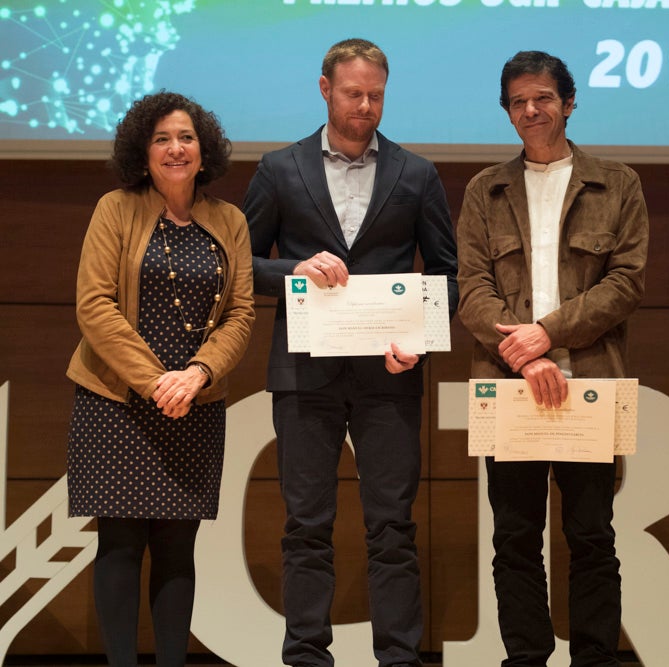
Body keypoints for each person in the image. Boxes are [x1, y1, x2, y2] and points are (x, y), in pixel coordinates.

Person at [242, 38, 458, 667]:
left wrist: (417, 341)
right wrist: (295, 269)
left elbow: (445, 272)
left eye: (376, 95)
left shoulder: (416, 173)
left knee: (392, 526)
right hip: (304, 372)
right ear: (324, 89)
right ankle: (306, 655)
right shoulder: (279, 168)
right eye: (353, 93)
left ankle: (398, 657)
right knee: (306, 524)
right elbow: (243, 263)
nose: (365, 106)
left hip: (390, 374)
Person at [456, 51, 649, 666]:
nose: (531, 110)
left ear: (569, 102)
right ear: (508, 112)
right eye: (518, 101)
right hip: (508, 384)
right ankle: (526, 659)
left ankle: (594, 657)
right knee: (514, 539)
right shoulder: (484, 189)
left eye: (542, 98)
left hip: (591, 382)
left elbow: (625, 283)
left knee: (592, 536)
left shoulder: (617, 183)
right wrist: (526, 354)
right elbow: (472, 289)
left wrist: (546, 333)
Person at [65, 91, 255, 666]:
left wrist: (196, 373)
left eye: (187, 138)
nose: (176, 149)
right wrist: (156, 382)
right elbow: (94, 304)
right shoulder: (114, 208)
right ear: (142, 151)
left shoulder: (230, 220)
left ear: (205, 150)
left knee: (178, 547)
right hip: (116, 400)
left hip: (196, 400)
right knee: (120, 544)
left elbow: (241, 314)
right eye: (162, 139)